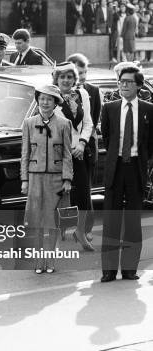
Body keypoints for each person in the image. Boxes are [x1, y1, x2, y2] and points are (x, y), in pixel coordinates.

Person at [100, 65, 153, 283]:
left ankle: (130, 269)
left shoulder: (149, 109)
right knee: (111, 219)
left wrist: (144, 161)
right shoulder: (110, 108)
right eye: (121, 81)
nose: (124, 85)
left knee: (132, 220)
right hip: (115, 168)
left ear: (139, 86)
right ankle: (109, 270)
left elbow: (151, 142)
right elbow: (107, 137)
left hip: (136, 169)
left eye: (129, 82)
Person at [21, 85, 73, 274]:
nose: (44, 102)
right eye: (42, 98)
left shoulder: (64, 123)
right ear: (38, 100)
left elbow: (68, 154)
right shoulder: (28, 123)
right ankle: (38, 261)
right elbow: (25, 154)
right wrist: (24, 180)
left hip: (56, 179)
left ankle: (50, 261)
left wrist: (67, 179)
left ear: (55, 103)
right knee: (36, 221)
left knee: (52, 222)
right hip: (35, 178)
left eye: (49, 99)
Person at [52, 62, 95, 251]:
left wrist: (83, 143)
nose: (66, 80)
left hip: (79, 152)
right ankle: (57, 234)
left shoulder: (82, 94)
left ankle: (80, 232)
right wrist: (68, 149)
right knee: (60, 196)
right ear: (56, 79)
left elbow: (88, 123)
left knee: (83, 195)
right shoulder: (50, 96)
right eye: (62, 77)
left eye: (70, 77)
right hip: (60, 154)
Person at [67, 53, 102, 243]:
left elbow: (92, 121)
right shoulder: (60, 90)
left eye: (84, 72)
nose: (82, 76)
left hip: (86, 148)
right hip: (66, 150)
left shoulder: (93, 91)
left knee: (84, 191)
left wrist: (82, 143)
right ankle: (70, 228)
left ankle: (86, 230)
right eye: (78, 72)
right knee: (67, 192)